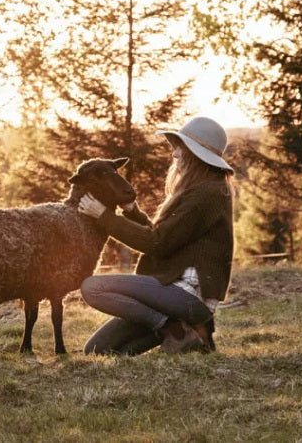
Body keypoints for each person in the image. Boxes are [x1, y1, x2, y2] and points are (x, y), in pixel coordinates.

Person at [77, 116, 234, 355]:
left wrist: (104, 217)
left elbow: (155, 243)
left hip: (187, 297)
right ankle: (184, 334)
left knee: (92, 287)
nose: (175, 155)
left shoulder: (206, 195)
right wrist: (132, 212)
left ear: (194, 154)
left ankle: (174, 329)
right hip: (172, 295)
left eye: (180, 149)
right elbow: (163, 237)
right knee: (98, 350)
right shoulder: (200, 190)